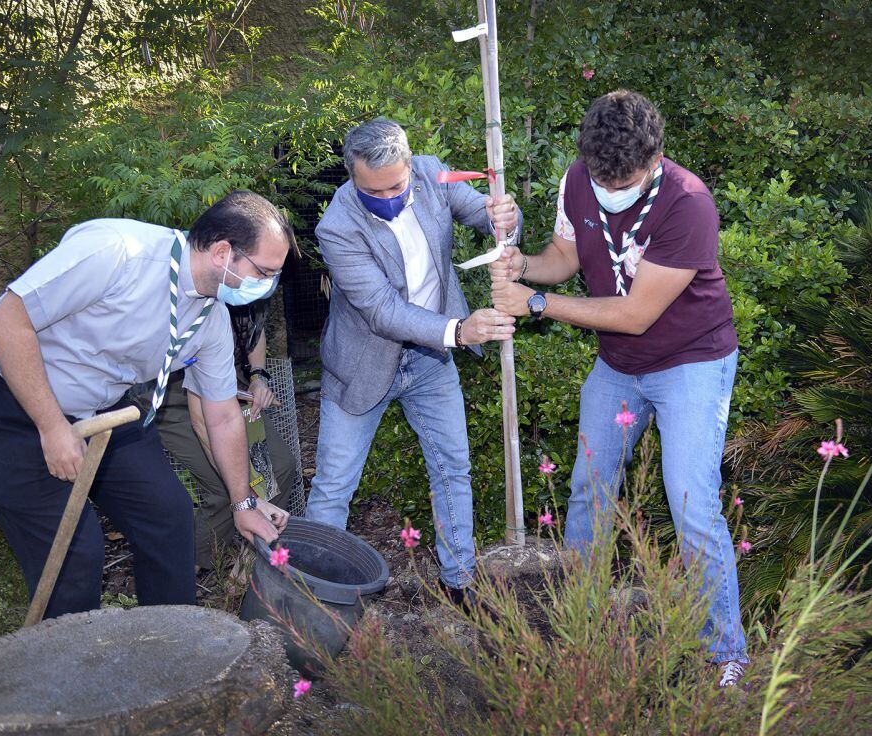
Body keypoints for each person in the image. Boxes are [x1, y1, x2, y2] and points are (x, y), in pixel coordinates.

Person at [490, 91, 749, 686]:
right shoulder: (579, 180)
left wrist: (535, 304)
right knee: (588, 490)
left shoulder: (688, 204)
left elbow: (636, 314)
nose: (608, 187)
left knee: (692, 504)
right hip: (618, 365)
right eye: (601, 176)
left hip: (691, 361)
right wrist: (522, 267)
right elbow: (563, 255)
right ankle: (584, 625)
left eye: (622, 179)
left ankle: (726, 653)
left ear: (655, 160)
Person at [0, 191, 291, 619]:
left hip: (103, 411)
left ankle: (169, 649)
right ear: (223, 251)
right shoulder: (118, 252)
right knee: (75, 555)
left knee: (169, 516)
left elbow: (220, 416)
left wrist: (243, 503)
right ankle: (73, 673)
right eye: (264, 272)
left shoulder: (212, 319)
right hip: (8, 403)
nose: (268, 286)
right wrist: (52, 425)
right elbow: (6, 320)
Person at [305, 117, 520, 607]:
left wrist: (504, 217)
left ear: (409, 166)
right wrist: (459, 331)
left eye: (396, 186)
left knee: (452, 468)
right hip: (361, 366)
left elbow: (489, 220)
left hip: (428, 361)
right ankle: (314, 595)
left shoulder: (431, 175)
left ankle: (459, 582)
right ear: (351, 177)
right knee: (335, 484)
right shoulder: (337, 227)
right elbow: (381, 311)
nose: (387, 197)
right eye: (371, 191)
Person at [154, 298, 300, 570]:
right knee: (227, 489)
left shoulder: (245, 288)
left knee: (279, 468)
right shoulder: (193, 299)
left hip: (227, 390)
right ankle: (187, 566)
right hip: (173, 403)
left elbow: (254, 328)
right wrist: (244, 495)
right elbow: (203, 421)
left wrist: (258, 379)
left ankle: (250, 564)